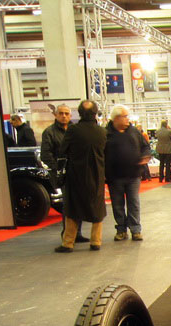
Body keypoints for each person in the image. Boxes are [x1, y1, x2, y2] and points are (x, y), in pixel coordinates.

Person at [54, 100, 106, 253]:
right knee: (97, 207)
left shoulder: (73, 130)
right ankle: (96, 241)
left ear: (79, 113)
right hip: (97, 175)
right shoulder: (102, 132)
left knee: (73, 208)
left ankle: (68, 242)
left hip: (75, 175)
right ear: (95, 113)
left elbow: (63, 151)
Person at [41, 103, 89, 243]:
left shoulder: (75, 130)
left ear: (71, 115)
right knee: (68, 204)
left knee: (78, 203)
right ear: (55, 115)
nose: (64, 116)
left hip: (78, 172)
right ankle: (67, 234)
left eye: (66, 114)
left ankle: (77, 233)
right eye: (61, 113)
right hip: (63, 175)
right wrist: (59, 168)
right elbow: (45, 154)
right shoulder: (49, 132)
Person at [105, 104, 152, 241]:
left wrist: (145, 156)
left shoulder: (134, 132)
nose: (127, 119)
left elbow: (145, 147)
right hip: (114, 177)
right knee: (117, 204)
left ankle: (135, 230)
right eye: (125, 116)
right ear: (116, 118)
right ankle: (121, 230)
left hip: (133, 175)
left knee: (134, 203)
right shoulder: (106, 134)